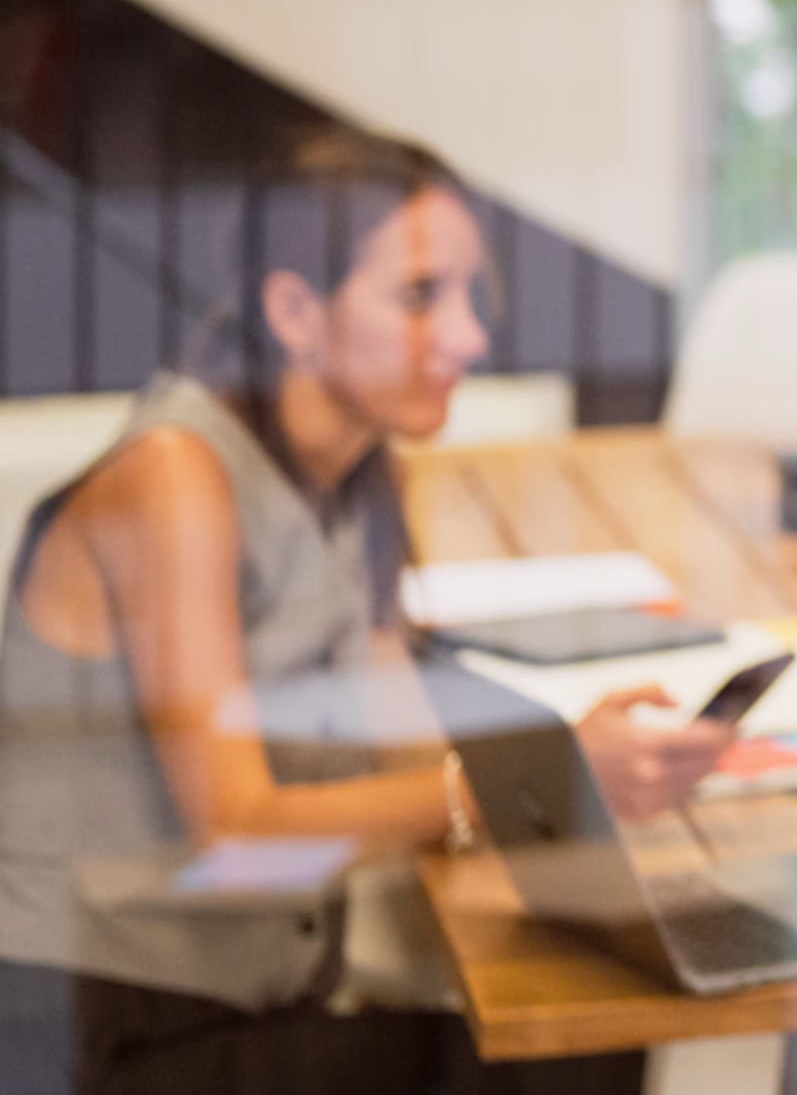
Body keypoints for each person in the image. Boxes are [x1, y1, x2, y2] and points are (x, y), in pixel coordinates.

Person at [0, 126, 729, 1094]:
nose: (470, 337)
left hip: (261, 978)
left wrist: (582, 768)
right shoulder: (176, 479)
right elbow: (240, 833)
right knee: (576, 1054)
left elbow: (404, 743)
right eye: (422, 296)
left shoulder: (355, 471)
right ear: (296, 311)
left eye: (472, 296)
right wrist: (521, 785)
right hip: (117, 1027)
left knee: (600, 1025)